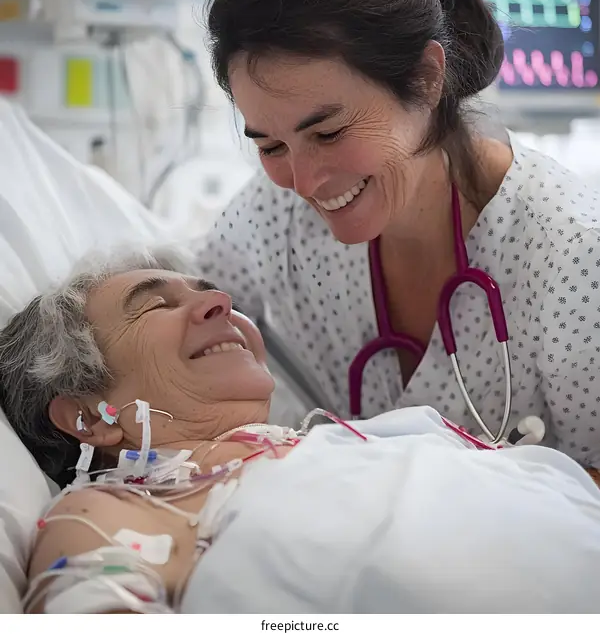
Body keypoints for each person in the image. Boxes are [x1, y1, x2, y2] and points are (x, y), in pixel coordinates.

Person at [195, 0, 600, 469]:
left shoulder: (574, 257)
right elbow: (186, 318)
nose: (304, 181)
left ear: (426, 78)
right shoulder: (272, 215)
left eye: (330, 133)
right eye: (270, 145)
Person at [1, 250, 600, 614]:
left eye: (209, 293)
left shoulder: (355, 439)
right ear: (84, 416)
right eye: (154, 306)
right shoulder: (122, 511)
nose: (220, 303)